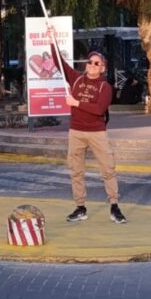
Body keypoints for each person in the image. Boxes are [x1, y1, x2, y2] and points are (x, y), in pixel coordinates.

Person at [46, 24, 127, 224]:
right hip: (76, 131)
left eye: (96, 63)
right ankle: (80, 207)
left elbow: (99, 109)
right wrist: (51, 40)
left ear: (102, 68)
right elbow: (59, 63)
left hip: (97, 132)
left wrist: (76, 103)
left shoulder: (105, 87)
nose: (92, 64)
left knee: (108, 169)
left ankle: (114, 206)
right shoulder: (76, 79)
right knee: (76, 171)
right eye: (90, 61)